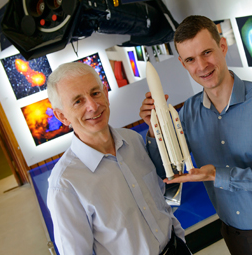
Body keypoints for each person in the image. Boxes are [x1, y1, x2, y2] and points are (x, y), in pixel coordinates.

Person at [139, 15, 252, 255]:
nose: (201, 66)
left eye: (207, 53)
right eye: (191, 59)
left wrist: (217, 174)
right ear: (183, 63)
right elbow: (168, 173)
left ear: (222, 46)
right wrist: (154, 128)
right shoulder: (188, 113)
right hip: (233, 237)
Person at [46, 62, 191, 255]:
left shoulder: (133, 140)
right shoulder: (65, 185)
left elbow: (159, 199)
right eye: (78, 101)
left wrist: (179, 241)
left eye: (95, 93)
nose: (93, 106)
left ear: (106, 94)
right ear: (62, 116)